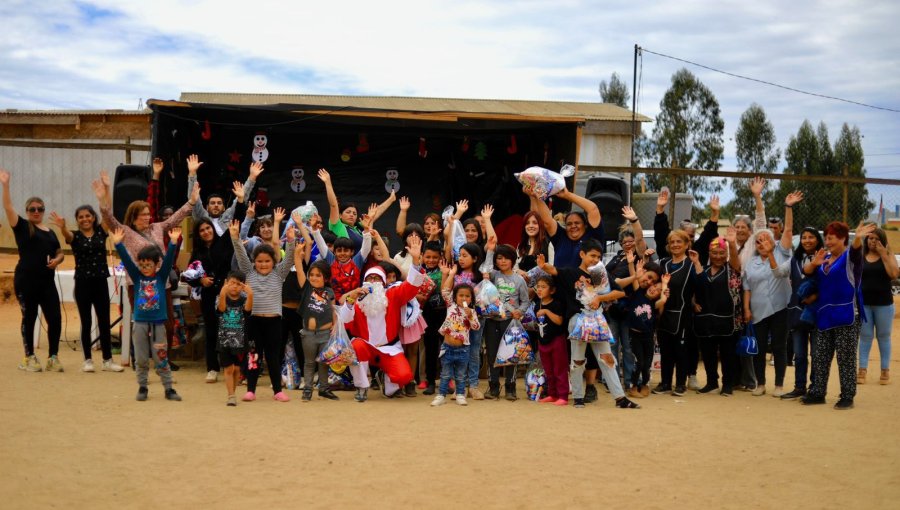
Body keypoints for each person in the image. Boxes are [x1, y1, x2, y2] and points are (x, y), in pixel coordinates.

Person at [537, 239, 640, 409]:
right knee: (577, 359)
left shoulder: (600, 274)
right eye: (592, 255)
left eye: (598, 257)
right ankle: (578, 397)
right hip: (577, 320)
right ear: (582, 254)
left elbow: (619, 292)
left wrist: (600, 297)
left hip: (598, 321)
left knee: (607, 358)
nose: (595, 259)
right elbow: (553, 270)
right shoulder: (570, 272)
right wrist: (543, 266)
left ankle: (620, 398)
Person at [338, 235, 424, 402]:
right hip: (365, 347)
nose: (373, 282)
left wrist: (415, 261)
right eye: (369, 279)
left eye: (377, 278)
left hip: (390, 348)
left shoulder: (392, 295)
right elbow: (345, 321)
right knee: (355, 346)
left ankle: (386, 380)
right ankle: (362, 386)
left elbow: (412, 286)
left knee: (404, 376)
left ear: (383, 282)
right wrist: (350, 300)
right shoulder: (357, 300)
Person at [802, 222, 876, 410]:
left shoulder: (850, 258)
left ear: (843, 239)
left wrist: (857, 238)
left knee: (846, 358)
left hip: (847, 314)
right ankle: (818, 393)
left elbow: (856, 251)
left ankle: (847, 396)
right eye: (826, 238)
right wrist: (815, 263)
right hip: (825, 315)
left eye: (831, 238)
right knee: (820, 356)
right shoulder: (824, 257)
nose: (827, 241)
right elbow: (807, 272)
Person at [0, 169, 64, 372]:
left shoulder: (50, 232)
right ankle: (29, 357)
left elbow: (59, 251)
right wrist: (6, 185)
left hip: (47, 282)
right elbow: (8, 207)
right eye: (32, 209)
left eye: (40, 209)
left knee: (55, 318)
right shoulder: (22, 226)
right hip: (26, 280)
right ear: (27, 211)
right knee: (29, 317)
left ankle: (53, 357)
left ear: (44, 210)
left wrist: (57, 260)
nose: (36, 211)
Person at [110, 226, 182, 402]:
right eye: (141, 265)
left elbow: (168, 261)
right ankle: (142, 387)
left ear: (156, 265)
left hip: (158, 324)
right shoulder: (137, 277)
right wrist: (119, 244)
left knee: (161, 357)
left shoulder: (161, 276)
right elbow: (127, 261)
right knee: (141, 358)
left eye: (148, 265)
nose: (144, 268)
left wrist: (173, 242)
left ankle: (168, 388)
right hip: (140, 323)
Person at [230, 217, 298, 403]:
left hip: (274, 322)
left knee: (273, 357)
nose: (263, 264)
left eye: (267, 261)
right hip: (254, 321)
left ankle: (277, 391)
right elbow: (241, 256)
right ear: (254, 262)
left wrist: (291, 241)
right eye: (259, 261)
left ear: (274, 261)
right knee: (254, 357)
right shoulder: (249, 272)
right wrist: (235, 238)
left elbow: (289, 258)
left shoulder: (279, 273)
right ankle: (251, 390)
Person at [49, 206, 124, 373]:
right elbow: (67, 235)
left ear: (93, 217)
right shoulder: (74, 236)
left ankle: (107, 360)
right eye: (81, 217)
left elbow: (107, 213)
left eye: (88, 216)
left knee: (104, 321)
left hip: (100, 283)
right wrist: (62, 227)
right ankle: (87, 360)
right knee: (86, 321)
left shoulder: (101, 232)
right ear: (77, 220)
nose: (85, 219)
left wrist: (104, 194)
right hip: (82, 284)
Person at [741, 192, 801, 397]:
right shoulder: (752, 262)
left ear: (773, 240)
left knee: (778, 346)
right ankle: (760, 384)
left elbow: (789, 230)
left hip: (780, 308)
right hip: (758, 311)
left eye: (765, 239)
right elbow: (747, 287)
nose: (762, 243)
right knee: (758, 348)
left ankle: (779, 385)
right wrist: (746, 309)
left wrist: (788, 207)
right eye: (758, 241)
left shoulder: (781, 252)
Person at [604, 205, 650, 394]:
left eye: (630, 241)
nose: (628, 244)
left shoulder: (639, 257)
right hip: (612, 307)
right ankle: (613, 380)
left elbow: (639, 239)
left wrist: (634, 220)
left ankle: (631, 380)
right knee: (613, 345)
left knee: (629, 347)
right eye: (624, 242)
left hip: (630, 307)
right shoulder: (616, 257)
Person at [692, 228, 743, 396]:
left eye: (722, 253)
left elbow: (735, 260)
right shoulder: (704, 270)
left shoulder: (732, 269)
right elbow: (696, 288)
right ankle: (711, 382)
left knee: (728, 354)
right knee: (708, 353)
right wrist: (693, 302)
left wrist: (732, 243)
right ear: (709, 253)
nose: (718, 256)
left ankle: (727, 384)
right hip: (706, 319)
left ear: (726, 254)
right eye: (714, 253)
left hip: (727, 320)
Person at [652, 230, 702, 396]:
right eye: (672, 242)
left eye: (679, 241)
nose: (675, 245)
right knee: (665, 350)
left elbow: (701, 285)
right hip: (664, 312)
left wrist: (697, 263)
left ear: (687, 244)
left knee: (681, 350)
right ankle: (665, 383)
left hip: (683, 313)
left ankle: (680, 384)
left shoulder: (690, 264)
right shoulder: (664, 264)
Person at [481, 242, 531, 400]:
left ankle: (511, 387)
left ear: (513, 260)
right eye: (499, 258)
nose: (502, 261)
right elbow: (486, 269)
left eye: (506, 258)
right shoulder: (494, 275)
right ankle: (493, 386)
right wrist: (490, 251)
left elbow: (525, 301)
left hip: (510, 322)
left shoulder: (519, 280)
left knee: (511, 354)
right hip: (492, 320)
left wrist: (520, 312)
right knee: (492, 354)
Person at [189, 217, 236, 383]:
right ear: (198, 234)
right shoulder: (197, 252)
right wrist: (201, 280)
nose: (206, 232)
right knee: (211, 332)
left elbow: (236, 221)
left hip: (227, 293)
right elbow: (189, 275)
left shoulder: (224, 242)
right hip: (208, 296)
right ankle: (212, 368)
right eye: (202, 230)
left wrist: (240, 204)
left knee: (230, 329)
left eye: (208, 228)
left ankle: (231, 366)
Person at [781, 227, 825, 400]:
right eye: (804, 237)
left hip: (817, 311)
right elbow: (779, 272)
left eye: (811, 237)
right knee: (799, 354)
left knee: (816, 354)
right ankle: (799, 387)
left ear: (818, 239)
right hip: (797, 311)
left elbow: (829, 284)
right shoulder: (795, 259)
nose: (807, 240)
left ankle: (815, 388)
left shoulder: (825, 258)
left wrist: (815, 296)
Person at [295, 253, 339, 402]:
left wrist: (335, 326)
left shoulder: (330, 292)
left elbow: (333, 310)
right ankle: (308, 389)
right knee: (309, 362)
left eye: (318, 275)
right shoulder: (307, 287)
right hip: (308, 334)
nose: (313, 278)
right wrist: (297, 255)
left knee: (324, 362)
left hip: (326, 333)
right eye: (311, 275)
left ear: (325, 278)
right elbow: (299, 269)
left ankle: (324, 389)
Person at [857, 225, 898, 385]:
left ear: (882, 241)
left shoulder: (888, 254)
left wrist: (884, 254)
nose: (872, 241)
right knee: (865, 337)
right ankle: (862, 370)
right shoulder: (862, 255)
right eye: (870, 238)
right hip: (865, 304)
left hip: (884, 304)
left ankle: (885, 370)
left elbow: (893, 274)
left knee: (883, 337)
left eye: (876, 239)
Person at [430, 282, 479, 407]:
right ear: (455, 297)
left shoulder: (472, 312)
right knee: (445, 374)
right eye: (461, 295)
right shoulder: (451, 306)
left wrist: (470, 316)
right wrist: (450, 274)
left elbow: (476, 327)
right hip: (447, 347)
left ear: (471, 298)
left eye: (467, 296)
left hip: (463, 349)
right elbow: (445, 292)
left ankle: (460, 395)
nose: (464, 298)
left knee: (461, 375)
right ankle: (441, 395)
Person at [187, 154, 261, 236]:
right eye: (212, 203)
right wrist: (192, 173)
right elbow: (193, 198)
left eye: (219, 203)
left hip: (227, 243)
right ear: (207, 207)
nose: (216, 205)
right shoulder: (201, 216)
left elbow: (241, 198)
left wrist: (252, 177)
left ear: (224, 208)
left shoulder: (228, 215)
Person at [216, 271, 253, 406]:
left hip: (239, 341)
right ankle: (231, 395)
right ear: (226, 283)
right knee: (228, 369)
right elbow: (221, 309)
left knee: (237, 369)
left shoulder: (244, 299)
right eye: (232, 283)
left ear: (243, 286)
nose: (234, 286)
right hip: (224, 340)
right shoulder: (221, 297)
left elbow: (248, 310)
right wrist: (222, 293)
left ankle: (233, 392)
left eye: (238, 284)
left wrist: (250, 294)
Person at [532, 275, 568, 406]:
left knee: (559, 369)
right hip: (543, 341)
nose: (539, 289)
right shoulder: (537, 305)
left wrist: (546, 311)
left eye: (543, 287)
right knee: (548, 370)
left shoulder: (556, 304)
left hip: (557, 340)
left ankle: (563, 395)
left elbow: (559, 321)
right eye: (538, 287)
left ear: (552, 290)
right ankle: (552, 394)